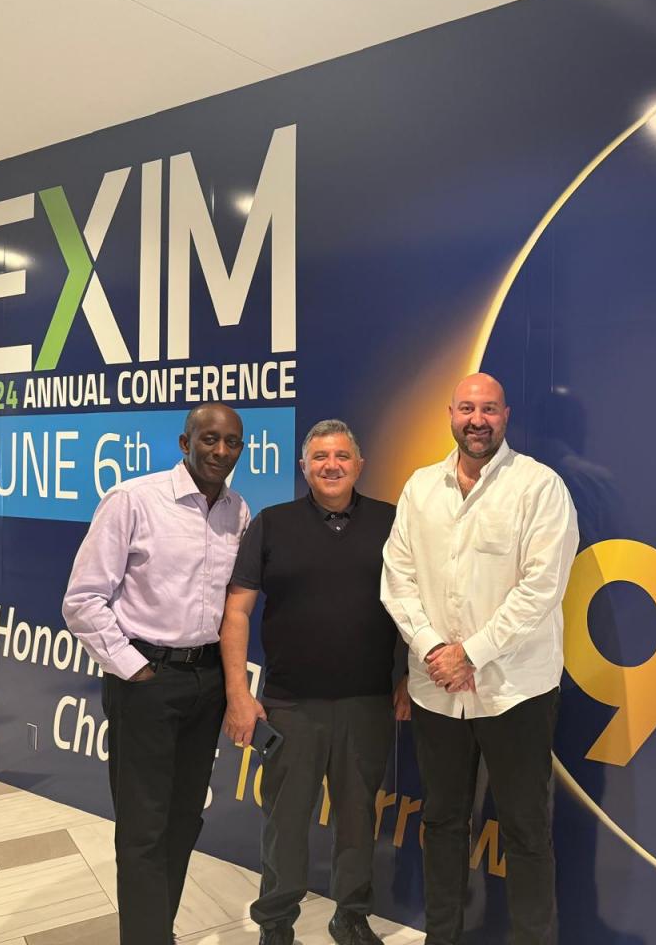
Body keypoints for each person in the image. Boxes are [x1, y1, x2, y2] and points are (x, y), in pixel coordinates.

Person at [381, 373, 579, 945]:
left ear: (506, 416)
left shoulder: (540, 487)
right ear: (450, 414)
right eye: (467, 408)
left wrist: (471, 653)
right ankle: (442, 936)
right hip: (435, 689)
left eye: (488, 409)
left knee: (525, 830)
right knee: (442, 821)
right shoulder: (420, 488)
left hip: (515, 690)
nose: (477, 420)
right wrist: (434, 650)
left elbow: (542, 588)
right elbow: (398, 578)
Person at [63, 403, 249, 945]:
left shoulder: (237, 510)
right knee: (144, 828)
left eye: (231, 442)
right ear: (184, 443)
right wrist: (134, 668)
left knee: (185, 819)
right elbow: (82, 600)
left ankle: (153, 932)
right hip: (146, 681)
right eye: (209, 439)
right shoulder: (133, 500)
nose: (220, 451)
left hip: (206, 682)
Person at [220, 419, 410, 945]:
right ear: (303, 467)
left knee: (357, 818)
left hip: (367, 701)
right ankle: (276, 923)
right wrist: (238, 694)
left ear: (360, 465)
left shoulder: (393, 522)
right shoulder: (272, 524)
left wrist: (410, 676)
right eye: (320, 457)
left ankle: (350, 916)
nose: (332, 465)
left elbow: (419, 605)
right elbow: (236, 611)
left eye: (342, 456)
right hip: (290, 705)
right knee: (285, 821)